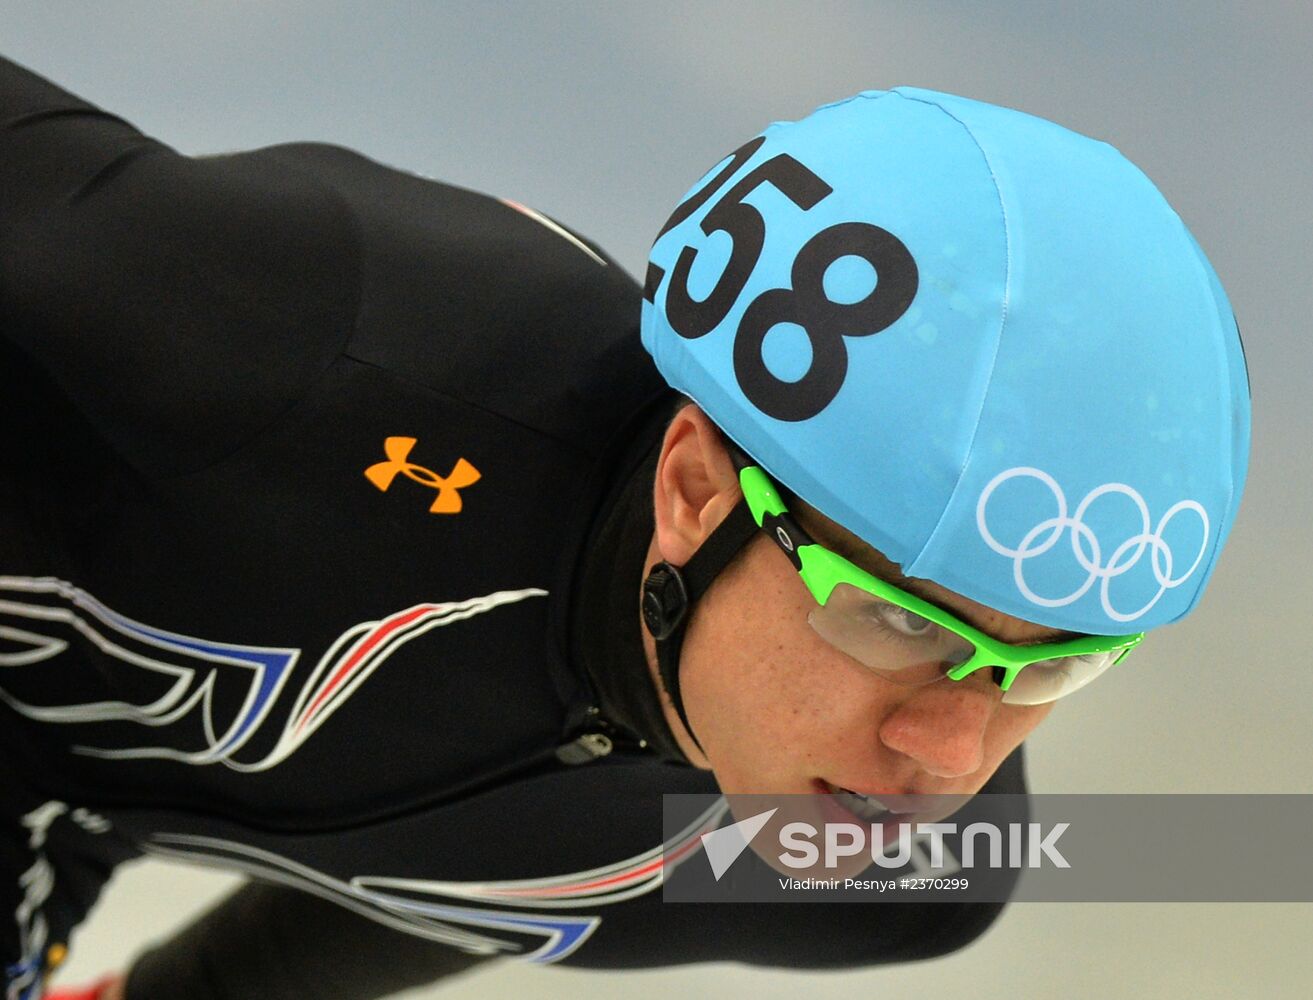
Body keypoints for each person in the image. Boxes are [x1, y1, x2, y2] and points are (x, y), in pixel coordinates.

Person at [0, 54, 1250, 1000]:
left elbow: (459, 866)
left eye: (1051, 664)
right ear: (695, 489)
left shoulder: (897, 871)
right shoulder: (304, 338)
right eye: (889, 618)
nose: (948, 752)